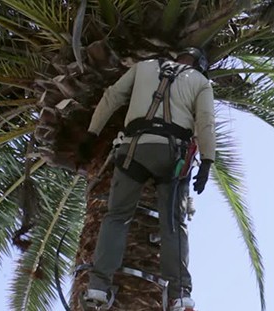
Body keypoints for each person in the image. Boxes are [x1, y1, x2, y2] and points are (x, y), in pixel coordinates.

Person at [77, 47, 215, 311]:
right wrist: (207, 161)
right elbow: (206, 121)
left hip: (133, 150)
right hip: (172, 155)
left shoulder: (145, 66)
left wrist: (92, 133)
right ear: (201, 65)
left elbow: (113, 96)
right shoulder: (201, 82)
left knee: (116, 217)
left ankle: (98, 287)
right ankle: (179, 295)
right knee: (173, 224)